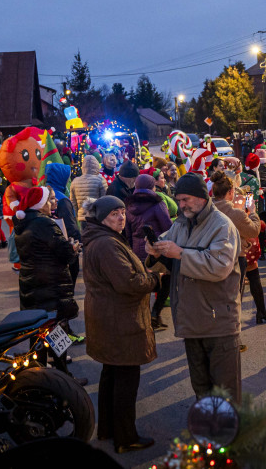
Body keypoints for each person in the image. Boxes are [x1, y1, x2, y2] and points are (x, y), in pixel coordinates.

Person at [147, 173, 242, 401]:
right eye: (179, 200)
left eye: (186, 199)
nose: (181, 205)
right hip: (191, 320)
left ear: (202, 196)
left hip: (218, 321)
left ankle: (229, 435)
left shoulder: (222, 225)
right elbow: (168, 259)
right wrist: (155, 252)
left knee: (225, 391)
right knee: (201, 388)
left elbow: (219, 267)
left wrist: (179, 253)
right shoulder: (181, 223)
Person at [81, 195, 165, 454]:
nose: (120, 218)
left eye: (122, 213)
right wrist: (155, 279)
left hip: (108, 316)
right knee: (126, 379)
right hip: (119, 320)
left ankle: (108, 429)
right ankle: (126, 438)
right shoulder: (107, 243)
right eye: (114, 214)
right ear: (101, 218)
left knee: (112, 375)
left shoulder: (102, 238)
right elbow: (128, 283)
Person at [210, 172, 266, 334]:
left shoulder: (208, 209)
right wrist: (252, 211)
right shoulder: (234, 211)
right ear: (231, 191)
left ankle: (260, 312)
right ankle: (230, 334)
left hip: (213, 257)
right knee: (233, 298)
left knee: (222, 295)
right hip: (235, 256)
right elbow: (253, 230)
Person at [14, 186, 79, 327]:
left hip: (31, 284)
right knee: (53, 330)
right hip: (50, 287)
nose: (54, 202)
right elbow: (64, 253)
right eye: (49, 200)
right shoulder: (44, 223)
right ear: (40, 204)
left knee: (37, 327)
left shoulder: (24, 223)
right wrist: (72, 248)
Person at [123, 174, 173, 329]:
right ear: (153, 186)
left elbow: (128, 232)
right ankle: (155, 313)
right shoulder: (157, 203)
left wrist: (131, 251)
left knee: (144, 283)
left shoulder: (129, 206)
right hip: (157, 249)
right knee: (166, 281)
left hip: (138, 250)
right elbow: (168, 227)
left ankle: (143, 316)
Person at [46, 161, 82, 287]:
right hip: (65, 248)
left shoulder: (45, 194)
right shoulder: (61, 199)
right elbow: (70, 227)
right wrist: (78, 242)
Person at [70, 155, 107, 226]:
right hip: (96, 218)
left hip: (82, 219)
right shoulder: (101, 180)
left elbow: (73, 203)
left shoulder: (75, 181)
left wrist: (77, 217)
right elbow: (104, 200)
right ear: (96, 166)